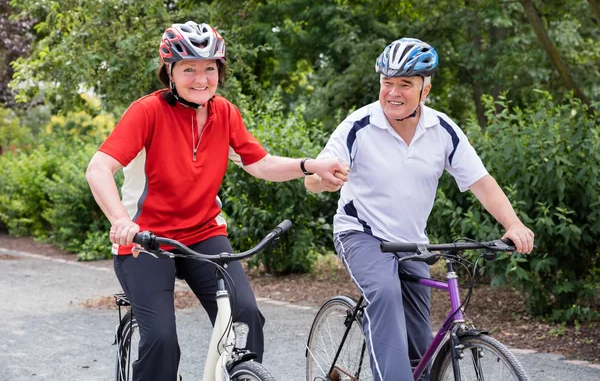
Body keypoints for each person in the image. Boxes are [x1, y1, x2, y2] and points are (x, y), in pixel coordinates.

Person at [86, 21, 348, 381]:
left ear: (219, 72)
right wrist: (120, 221)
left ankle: (241, 374)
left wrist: (310, 165)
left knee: (247, 316)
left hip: (204, 233)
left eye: (209, 68)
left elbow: (261, 163)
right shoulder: (147, 112)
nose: (200, 78)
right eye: (189, 68)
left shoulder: (225, 113)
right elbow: (99, 168)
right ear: (170, 72)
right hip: (146, 242)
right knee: (162, 340)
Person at [304, 37, 534, 381]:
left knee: (419, 342)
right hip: (361, 234)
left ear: (425, 89)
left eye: (405, 84)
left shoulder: (442, 130)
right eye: (387, 83)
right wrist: (325, 179)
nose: (393, 92)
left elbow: (481, 181)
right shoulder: (358, 126)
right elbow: (313, 179)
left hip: (412, 242)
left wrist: (513, 223)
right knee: (384, 293)